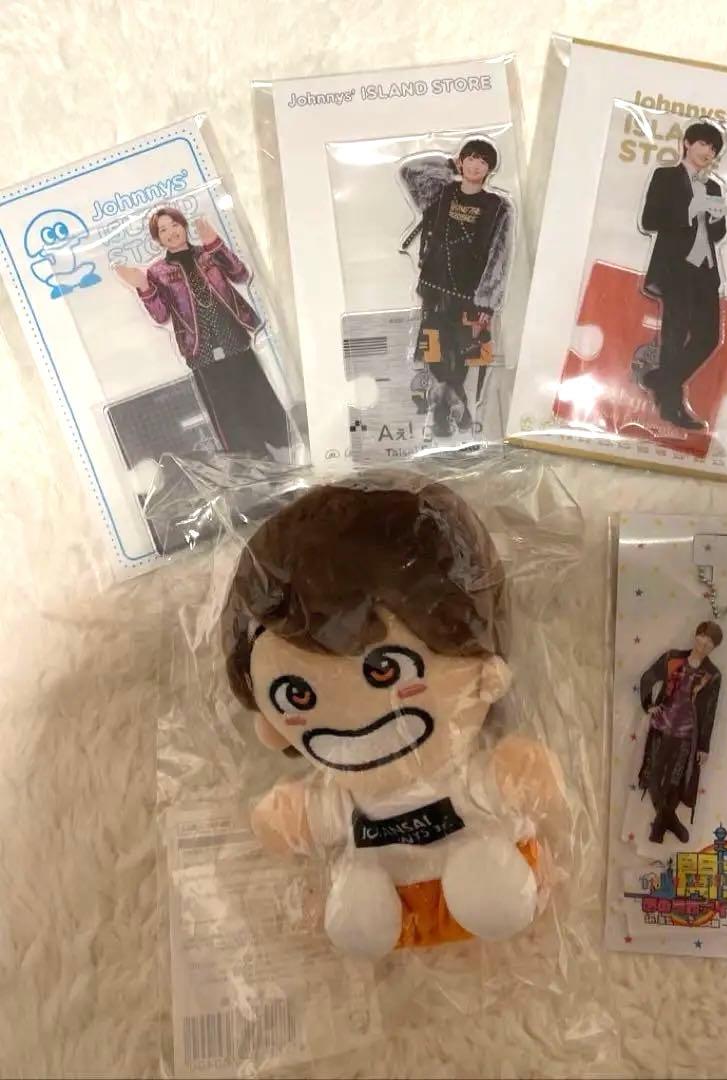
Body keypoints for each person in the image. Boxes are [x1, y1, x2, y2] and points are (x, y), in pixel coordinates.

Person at [221, 477, 561, 956]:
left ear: (486, 672)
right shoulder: (347, 796)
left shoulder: (457, 775)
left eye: (384, 671)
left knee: (489, 880)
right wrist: (294, 816)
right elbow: (317, 815)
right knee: (359, 906)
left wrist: (514, 775)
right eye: (297, 696)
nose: (351, 720)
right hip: (394, 899)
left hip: (480, 861)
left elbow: (506, 782)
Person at [113, 207, 291, 459]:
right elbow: (161, 315)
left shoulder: (209, 253)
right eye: (163, 230)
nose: (171, 232)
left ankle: (286, 445)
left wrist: (215, 244)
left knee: (256, 393)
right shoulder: (158, 272)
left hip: (233, 335)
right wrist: (143, 286)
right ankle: (251, 459)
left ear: (184, 225)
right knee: (225, 409)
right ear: (157, 238)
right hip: (199, 347)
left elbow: (240, 274)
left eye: (174, 224)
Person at [399, 138, 514, 438]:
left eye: (483, 161)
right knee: (435, 352)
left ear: (490, 169)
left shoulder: (498, 207)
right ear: (461, 162)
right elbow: (410, 171)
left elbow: (500, 255)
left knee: (464, 355)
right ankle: (454, 408)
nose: (476, 165)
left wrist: (488, 301)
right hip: (435, 289)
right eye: (470, 158)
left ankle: (446, 412)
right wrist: (451, 162)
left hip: (472, 295)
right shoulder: (441, 193)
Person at [639, 120, 727, 430]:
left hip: (705, 270)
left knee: (709, 337)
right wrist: (690, 211)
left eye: (714, 149)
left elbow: (716, 235)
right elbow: (650, 219)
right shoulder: (665, 177)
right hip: (675, 268)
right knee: (675, 335)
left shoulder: (714, 187)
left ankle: (661, 378)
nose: (709, 152)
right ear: (688, 143)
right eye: (704, 144)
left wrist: (717, 216)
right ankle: (671, 406)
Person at [636, 620, 723, 844]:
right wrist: (648, 705)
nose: (704, 644)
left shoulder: (712, 674)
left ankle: (658, 829)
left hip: (687, 735)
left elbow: (709, 712)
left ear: (714, 648)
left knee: (675, 781)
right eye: (702, 637)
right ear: (696, 635)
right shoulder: (672, 658)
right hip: (661, 727)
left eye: (710, 643)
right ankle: (670, 821)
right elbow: (648, 678)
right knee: (653, 776)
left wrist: (703, 746)